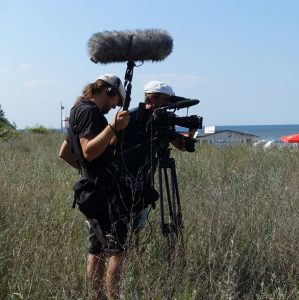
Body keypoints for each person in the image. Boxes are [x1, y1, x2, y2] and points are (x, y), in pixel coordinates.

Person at [59, 74, 130, 300]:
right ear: (108, 91)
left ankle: (96, 296)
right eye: (114, 101)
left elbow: (65, 152)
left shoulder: (77, 109)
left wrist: (87, 173)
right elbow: (88, 150)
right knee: (117, 249)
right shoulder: (90, 112)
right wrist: (112, 126)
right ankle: (112, 297)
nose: (114, 107)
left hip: (90, 188)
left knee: (96, 249)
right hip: (102, 191)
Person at [120, 81, 196, 234]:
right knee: (120, 229)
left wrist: (191, 130)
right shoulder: (131, 117)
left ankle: (131, 256)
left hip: (143, 181)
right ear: (151, 98)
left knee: (136, 229)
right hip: (122, 181)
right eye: (165, 100)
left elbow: (181, 146)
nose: (168, 104)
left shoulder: (164, 119)